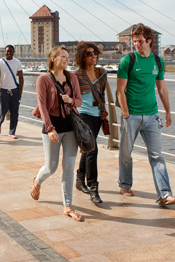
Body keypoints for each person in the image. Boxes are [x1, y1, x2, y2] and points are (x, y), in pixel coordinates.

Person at [117, 23, 175, 206]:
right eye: (134, 41)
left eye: (140, 41)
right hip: (132, 116)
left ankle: (165, 194)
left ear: (149, 41)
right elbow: (120, 90)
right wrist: (126, 113)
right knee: (126, 153)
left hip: (152, 116)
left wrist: (168, 112)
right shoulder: (127, 61)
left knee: (157, 155)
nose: (137, 44)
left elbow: (161, 88)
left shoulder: (158, 62)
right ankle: (125, 184)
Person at [31, 46, 83, 222]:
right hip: (52, 126)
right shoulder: (43, 79)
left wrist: (71, 100)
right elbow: (43, 106)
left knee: (69, 167)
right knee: (51, 167)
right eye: (62, 56)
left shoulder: (72, 77)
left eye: (68, 57)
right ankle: (37, 181)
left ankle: (67, 206)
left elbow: (79, 100)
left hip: (70, 126)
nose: (66, 60)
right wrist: (49, 128)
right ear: (53, 58)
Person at [74, 41, 108, 204]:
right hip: (84, 115)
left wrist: (104, 112)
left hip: (97, 115)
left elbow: (102, 93)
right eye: (89, 53)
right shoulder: (76, 75)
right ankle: (93, 188)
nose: (93, 56)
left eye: (95, 53)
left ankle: (80, 180)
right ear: (82, 57)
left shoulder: (102, 72)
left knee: (87, 149)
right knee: (93, 150)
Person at [0, 44, 24, 139]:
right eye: (7, 51)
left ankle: (12, 132)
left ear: (13, 52)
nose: (9, 53)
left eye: (11, 51)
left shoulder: (17, 62)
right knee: (4, 110)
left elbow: (20, 77)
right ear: (5, 52)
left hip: (15, 91)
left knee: (15, 112)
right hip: (4, 90)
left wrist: (20, 91)